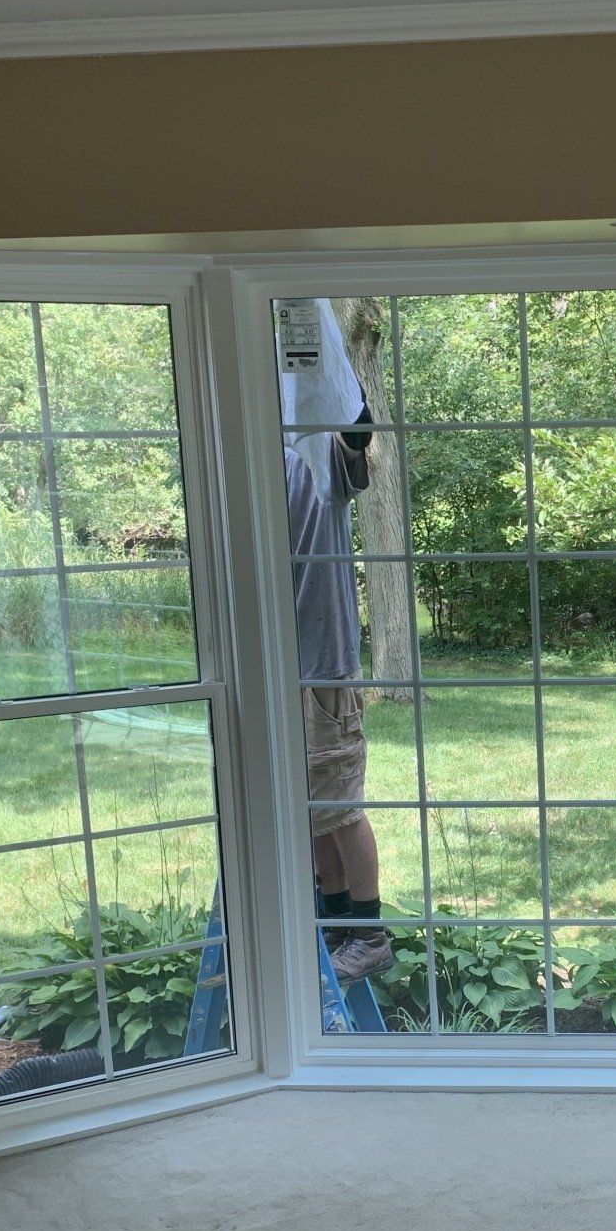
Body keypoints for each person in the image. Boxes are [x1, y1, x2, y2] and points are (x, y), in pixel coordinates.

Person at [283, 300, 392, 984]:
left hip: (321, 667)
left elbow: (359, 426)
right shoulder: (245, 458)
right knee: (309, 811)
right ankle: (333, 927)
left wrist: (311, 331)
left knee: (339, 806)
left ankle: (370, 935)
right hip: (274, 667)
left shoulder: (320, 453)